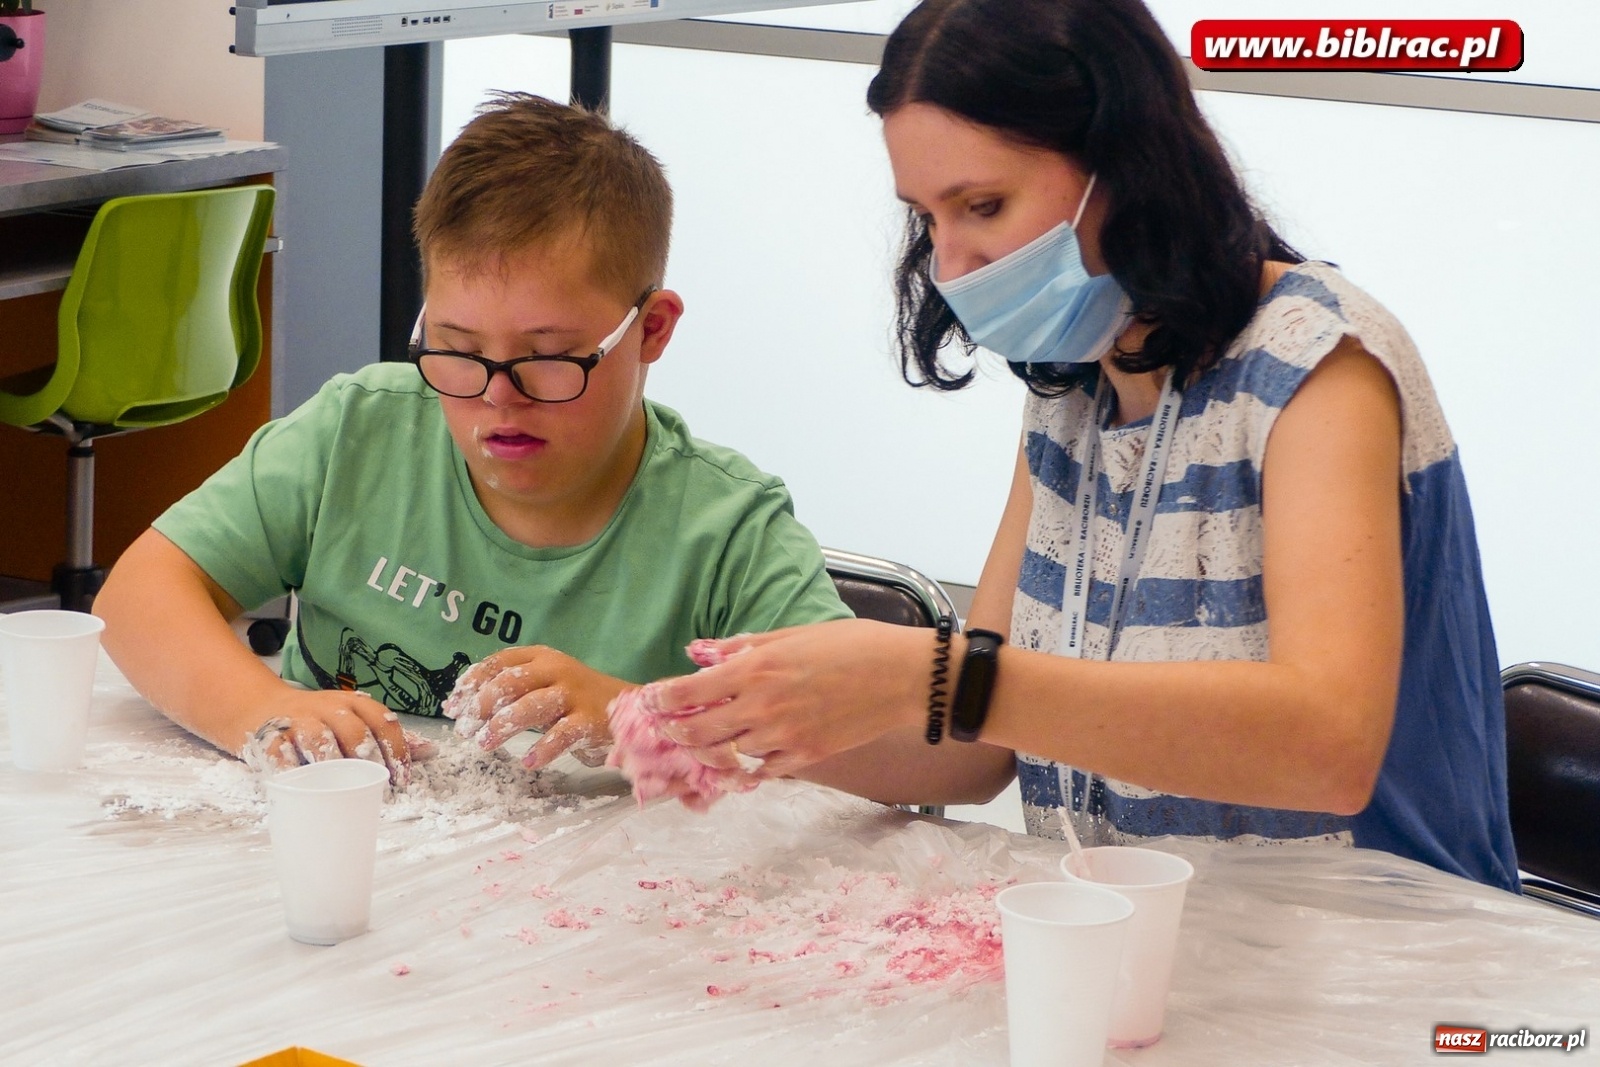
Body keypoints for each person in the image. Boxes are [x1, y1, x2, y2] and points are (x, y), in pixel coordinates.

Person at [656, 0, 1519, 891]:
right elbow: (976, 747)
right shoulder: (1076, 392)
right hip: (1158, 946)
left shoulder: (1317, 369)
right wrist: (757, 722)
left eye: (982, 205)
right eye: (927, 218)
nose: (950, 268)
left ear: (1125, 164)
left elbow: (1324, 746)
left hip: (1375, 962)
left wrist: (940, 673)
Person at [93, 92, 849, 783]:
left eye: (546, 358)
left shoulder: (722, 531)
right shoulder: (361, 430)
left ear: (650, 330)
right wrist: (260, 708)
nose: (497, 398)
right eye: (457, 348)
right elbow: (139, 594)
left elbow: (928, 759)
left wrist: (639, 712)